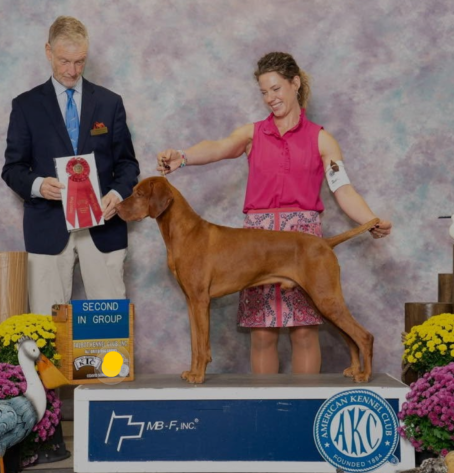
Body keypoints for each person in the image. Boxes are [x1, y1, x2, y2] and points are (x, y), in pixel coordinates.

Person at [157, 52, 392, 375]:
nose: (270, 98)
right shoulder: (252, 134)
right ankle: (264, 404)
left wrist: (370, 220)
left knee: (304, 332)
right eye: (264, 92)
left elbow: (343, 189)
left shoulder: (321, 139)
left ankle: (303, 402)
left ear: (295, 83)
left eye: (276, 89)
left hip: (301, 239)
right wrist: (182, 157)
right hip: (255, 242)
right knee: (262, 334)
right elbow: (218, 147)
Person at [2, 16, 139, 314]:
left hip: (104, 227)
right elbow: (12, 169)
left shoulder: (110, 103)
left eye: (80, 62)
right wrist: (39, 186)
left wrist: (116, 195)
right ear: (48, 51)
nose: (72, 71)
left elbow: (128, 165)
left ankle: (110, 351)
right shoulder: (25, 106)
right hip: (47, 225)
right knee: (46, 324)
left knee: (109, 321)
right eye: (64, 61)